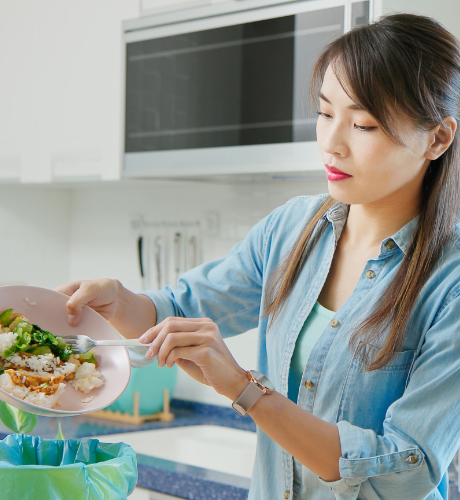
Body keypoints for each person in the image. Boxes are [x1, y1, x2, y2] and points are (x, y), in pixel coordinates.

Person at [56, 13, 460, 500]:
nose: (332, 143)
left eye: (363, 124)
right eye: (326, 113)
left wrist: (245, 389)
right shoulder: (290, 231)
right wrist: (118, 301)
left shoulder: (449, 282)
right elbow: (179, 311)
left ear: (437, 138)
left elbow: (406, 470)